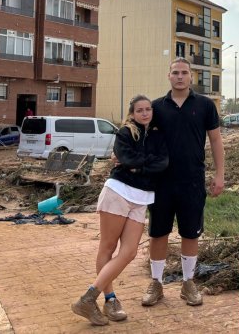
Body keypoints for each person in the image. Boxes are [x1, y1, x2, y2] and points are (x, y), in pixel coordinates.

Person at [71, 95, 168, 325]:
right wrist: (141, 164)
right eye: (139, 110)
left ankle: (88, 297)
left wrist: (137, 165)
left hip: (142, 198)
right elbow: (125, 157)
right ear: (132, 113)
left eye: (148, 109)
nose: (145, 113)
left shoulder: (157, 135)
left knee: (130, 251)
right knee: (108, 246)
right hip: (118, 192)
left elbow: (162, 162)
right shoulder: (125, 132)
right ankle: (110, 299)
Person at [141, 57, 225, 308]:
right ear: (168, 76)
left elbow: (216, 141)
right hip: (161, 183)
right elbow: (139, 139)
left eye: (184, 72)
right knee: (159, 233)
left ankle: (189, 283)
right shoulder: (156, 107)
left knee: (190, 233)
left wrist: (219, 174)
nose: (180, 76)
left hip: (192, 182)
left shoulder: (205, 105)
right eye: (175, 72)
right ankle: (156, 283)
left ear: (191, 77)